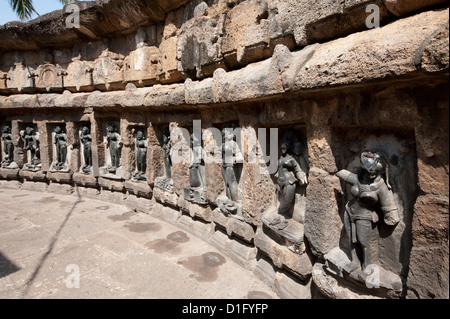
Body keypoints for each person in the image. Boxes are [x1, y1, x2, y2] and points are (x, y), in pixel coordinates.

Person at [336, 150, 400, 273]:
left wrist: (390, 216)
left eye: (373, 172)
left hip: (365, 217)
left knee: (365, 242)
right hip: (350, 212)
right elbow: (343, 174)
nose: (370, 175)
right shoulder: (358, 180)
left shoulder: (381, 187)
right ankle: (355, 262)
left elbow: (389, 206)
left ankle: (368, 265)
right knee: (352, 240)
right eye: (366, 171)